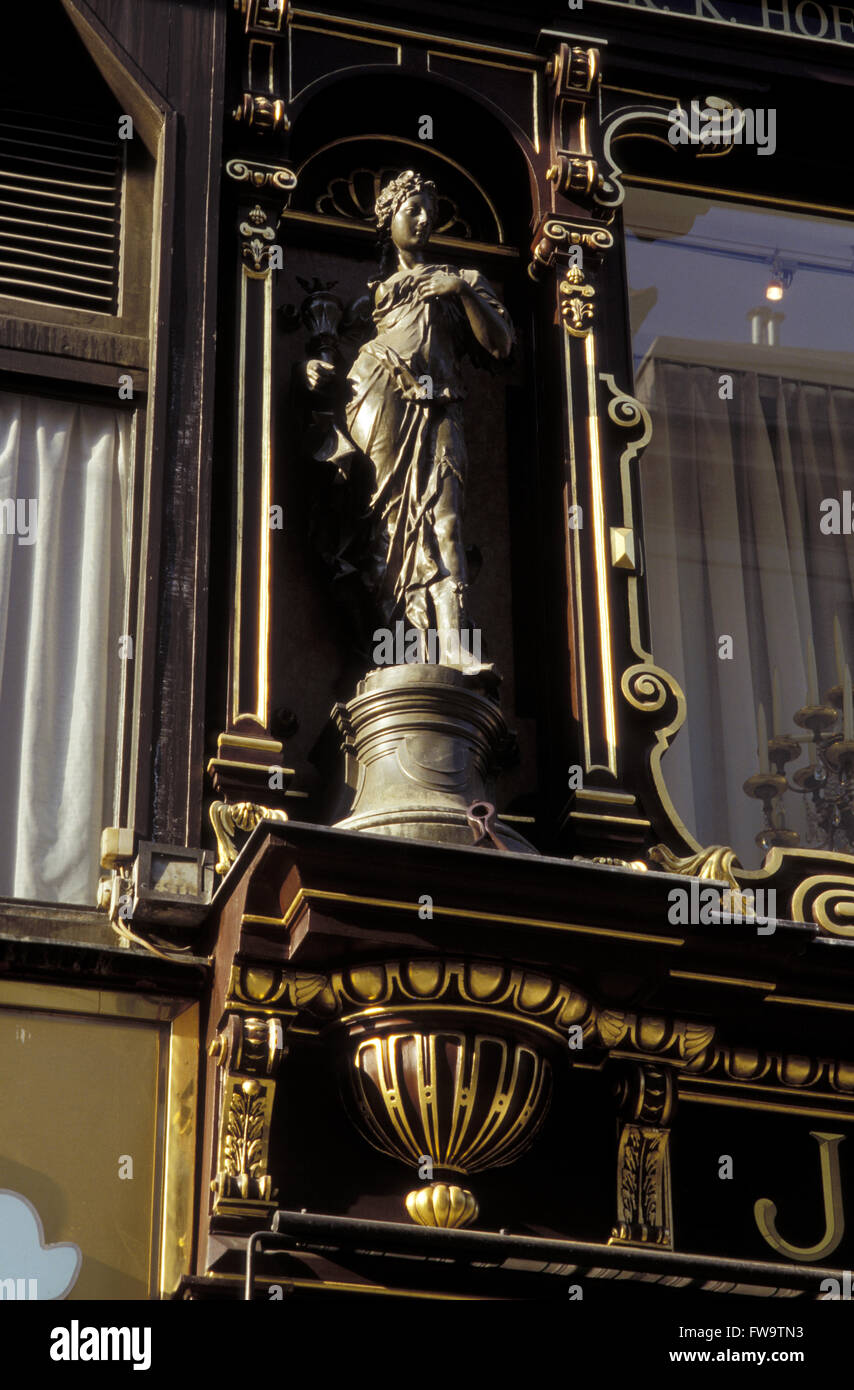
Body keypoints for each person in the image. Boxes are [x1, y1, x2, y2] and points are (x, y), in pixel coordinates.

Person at [306, 170, 514, 678]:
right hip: (378, 399)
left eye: (429, 212)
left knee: (444, 520)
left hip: (438, 407)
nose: (423, 221)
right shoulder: (370, 299)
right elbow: (331, 362)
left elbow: (501, 345)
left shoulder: (459, 279)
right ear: (389, 218)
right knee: (387, 526)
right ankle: (396, 649)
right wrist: (309, 368)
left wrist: (460, 292)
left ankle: (454, 643)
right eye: (412, 210)